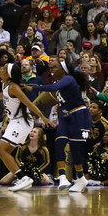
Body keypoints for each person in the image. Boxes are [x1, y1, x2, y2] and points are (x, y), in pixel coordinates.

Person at [25, 59, 94, 193]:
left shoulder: (68, 78)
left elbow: (53, 88)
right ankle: (62, 177)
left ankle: (81, 178)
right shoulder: (62, 83)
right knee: (59, 143)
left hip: (79, 115)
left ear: (63, 70)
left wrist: (33, 88)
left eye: (57, 68)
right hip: (66, 117)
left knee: (75, 148)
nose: (53, 70)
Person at [0, 62, 52, 191]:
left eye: (4, 68)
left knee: (1, 149)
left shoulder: (13, 87)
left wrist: (43, 117)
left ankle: (23, 178)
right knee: (4, 152)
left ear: (8, 74)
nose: (1, 68)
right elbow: (5, 94)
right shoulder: (6, 85)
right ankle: (22, 177)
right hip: (15, 121)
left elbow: (29, 103)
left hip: (22, 121)